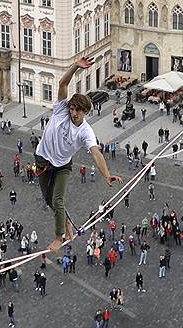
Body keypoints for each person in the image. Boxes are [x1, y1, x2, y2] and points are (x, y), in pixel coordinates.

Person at [35, 56, 123, 253]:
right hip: (41, 160)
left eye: (79, 111)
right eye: (73, 109)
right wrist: (75, 66)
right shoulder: (60, 110)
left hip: (62, 166)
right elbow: (63, 83)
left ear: (85, 113)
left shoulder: (86, 131)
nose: (74, 113)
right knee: (49, 200)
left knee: (58, 200)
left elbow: (96, 153)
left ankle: (60, 237)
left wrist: (106, 175)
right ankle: (66, 223)